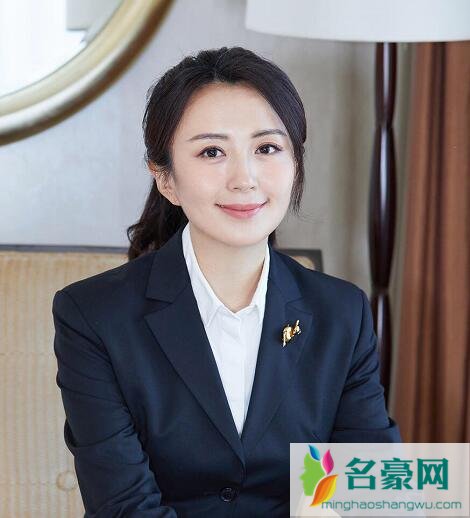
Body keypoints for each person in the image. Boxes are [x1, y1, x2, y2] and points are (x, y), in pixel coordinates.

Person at [52, 46, 401, 518]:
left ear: (295, 163)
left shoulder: (342, 314)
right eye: (212, 152)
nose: (245, 178)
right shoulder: (94, 316)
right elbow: (125, 506)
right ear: (165, 179)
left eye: (267, 148)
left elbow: (369, 493)